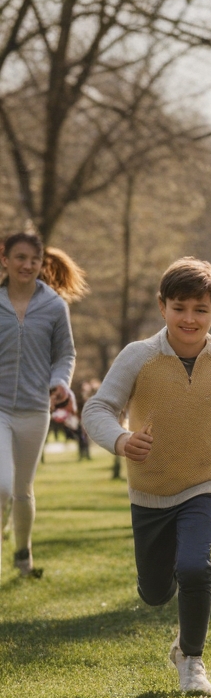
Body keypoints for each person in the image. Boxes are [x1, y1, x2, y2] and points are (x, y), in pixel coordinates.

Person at [82, 258, 211, 695]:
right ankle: (178, 627)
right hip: (150, 491)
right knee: (155, 593)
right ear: (163, 307)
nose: (189, 318)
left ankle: (191, 658)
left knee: (195, 566)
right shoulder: (138, 356)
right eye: (179, 307)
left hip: (205, 482)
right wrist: (121, 441)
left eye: (200, 309)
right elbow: (97, 409)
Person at [0, 231, 85, 580]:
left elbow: (65, 353)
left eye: (33, 259)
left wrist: (60, 381)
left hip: (36, 408)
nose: (27, 265)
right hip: (0, 407)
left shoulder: (53, 305)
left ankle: (24, 555)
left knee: (22, 490)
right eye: (19, 257)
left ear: (41, 263)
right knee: (2, 486)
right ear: (5, 260)